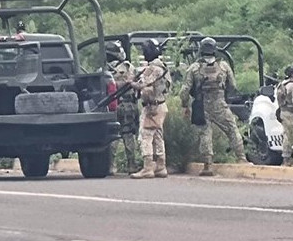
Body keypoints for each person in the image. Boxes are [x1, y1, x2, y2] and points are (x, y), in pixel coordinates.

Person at [180, 37, 249, 177]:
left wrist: (185, 105)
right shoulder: (224, 66)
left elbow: (184, 91)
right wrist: (225, 96)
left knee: (205, 134)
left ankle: (207, 165)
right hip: (219, 103)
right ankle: (241, 158)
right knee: (232, 129)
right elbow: (233, 86)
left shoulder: (194, 68)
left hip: (201, 105)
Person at [130, 39, 171, 179]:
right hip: (161, 105)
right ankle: (161, 166)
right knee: (158, 137)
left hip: (152, 108)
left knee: (145, 136)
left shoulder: (153, 69)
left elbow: (141, 84)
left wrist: (131, 82)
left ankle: (148, 167)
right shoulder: (164, 67)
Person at [106, 41, 139, 174]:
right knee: (128, 135)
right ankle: (132, 165)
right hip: (129, 105)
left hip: (113, 105)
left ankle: (110, 166)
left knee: (113, 137)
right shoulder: (128, 67)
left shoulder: (105, 70)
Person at [276, 65, 293, 167]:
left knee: (287, 135)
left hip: (283, 112)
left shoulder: (282, 84)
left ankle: (286, 159)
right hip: (290, 113)